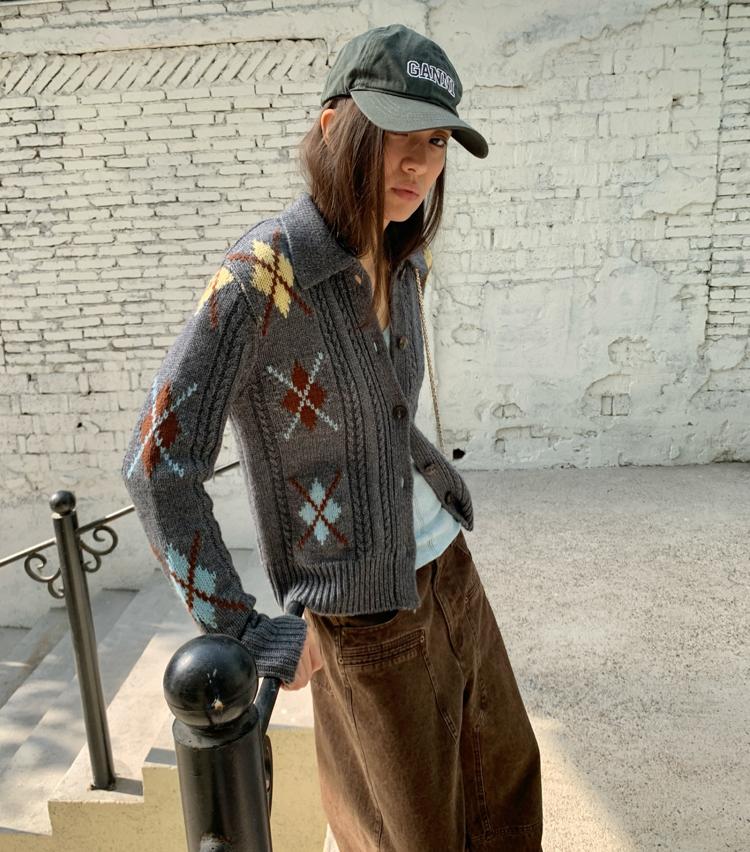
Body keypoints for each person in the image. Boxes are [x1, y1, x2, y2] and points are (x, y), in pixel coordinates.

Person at [122, 22, 542, 852]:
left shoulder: (403, 255)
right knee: (413, 832)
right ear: (333, 126)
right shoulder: (259, 279)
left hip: (449, 568)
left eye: (436, 141)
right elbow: (156, 464)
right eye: (396, 136)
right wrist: (242, 626)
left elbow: (384, 411)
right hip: (365, 614)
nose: (418, 164)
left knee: (506, 787)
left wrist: (431, 477)